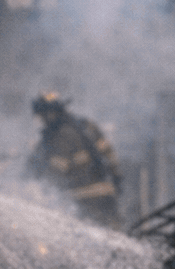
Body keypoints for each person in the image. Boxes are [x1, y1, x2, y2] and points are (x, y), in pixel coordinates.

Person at [26, 92, 122, 225]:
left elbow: (57, 171)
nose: (41, 121)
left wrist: (36, 168)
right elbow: (109, 154)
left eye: (42, 116)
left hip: (85, 199)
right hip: (107, 194)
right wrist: (116, 178)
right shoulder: (87, 125)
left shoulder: (60, 135)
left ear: (50, 114)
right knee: (115, 237)